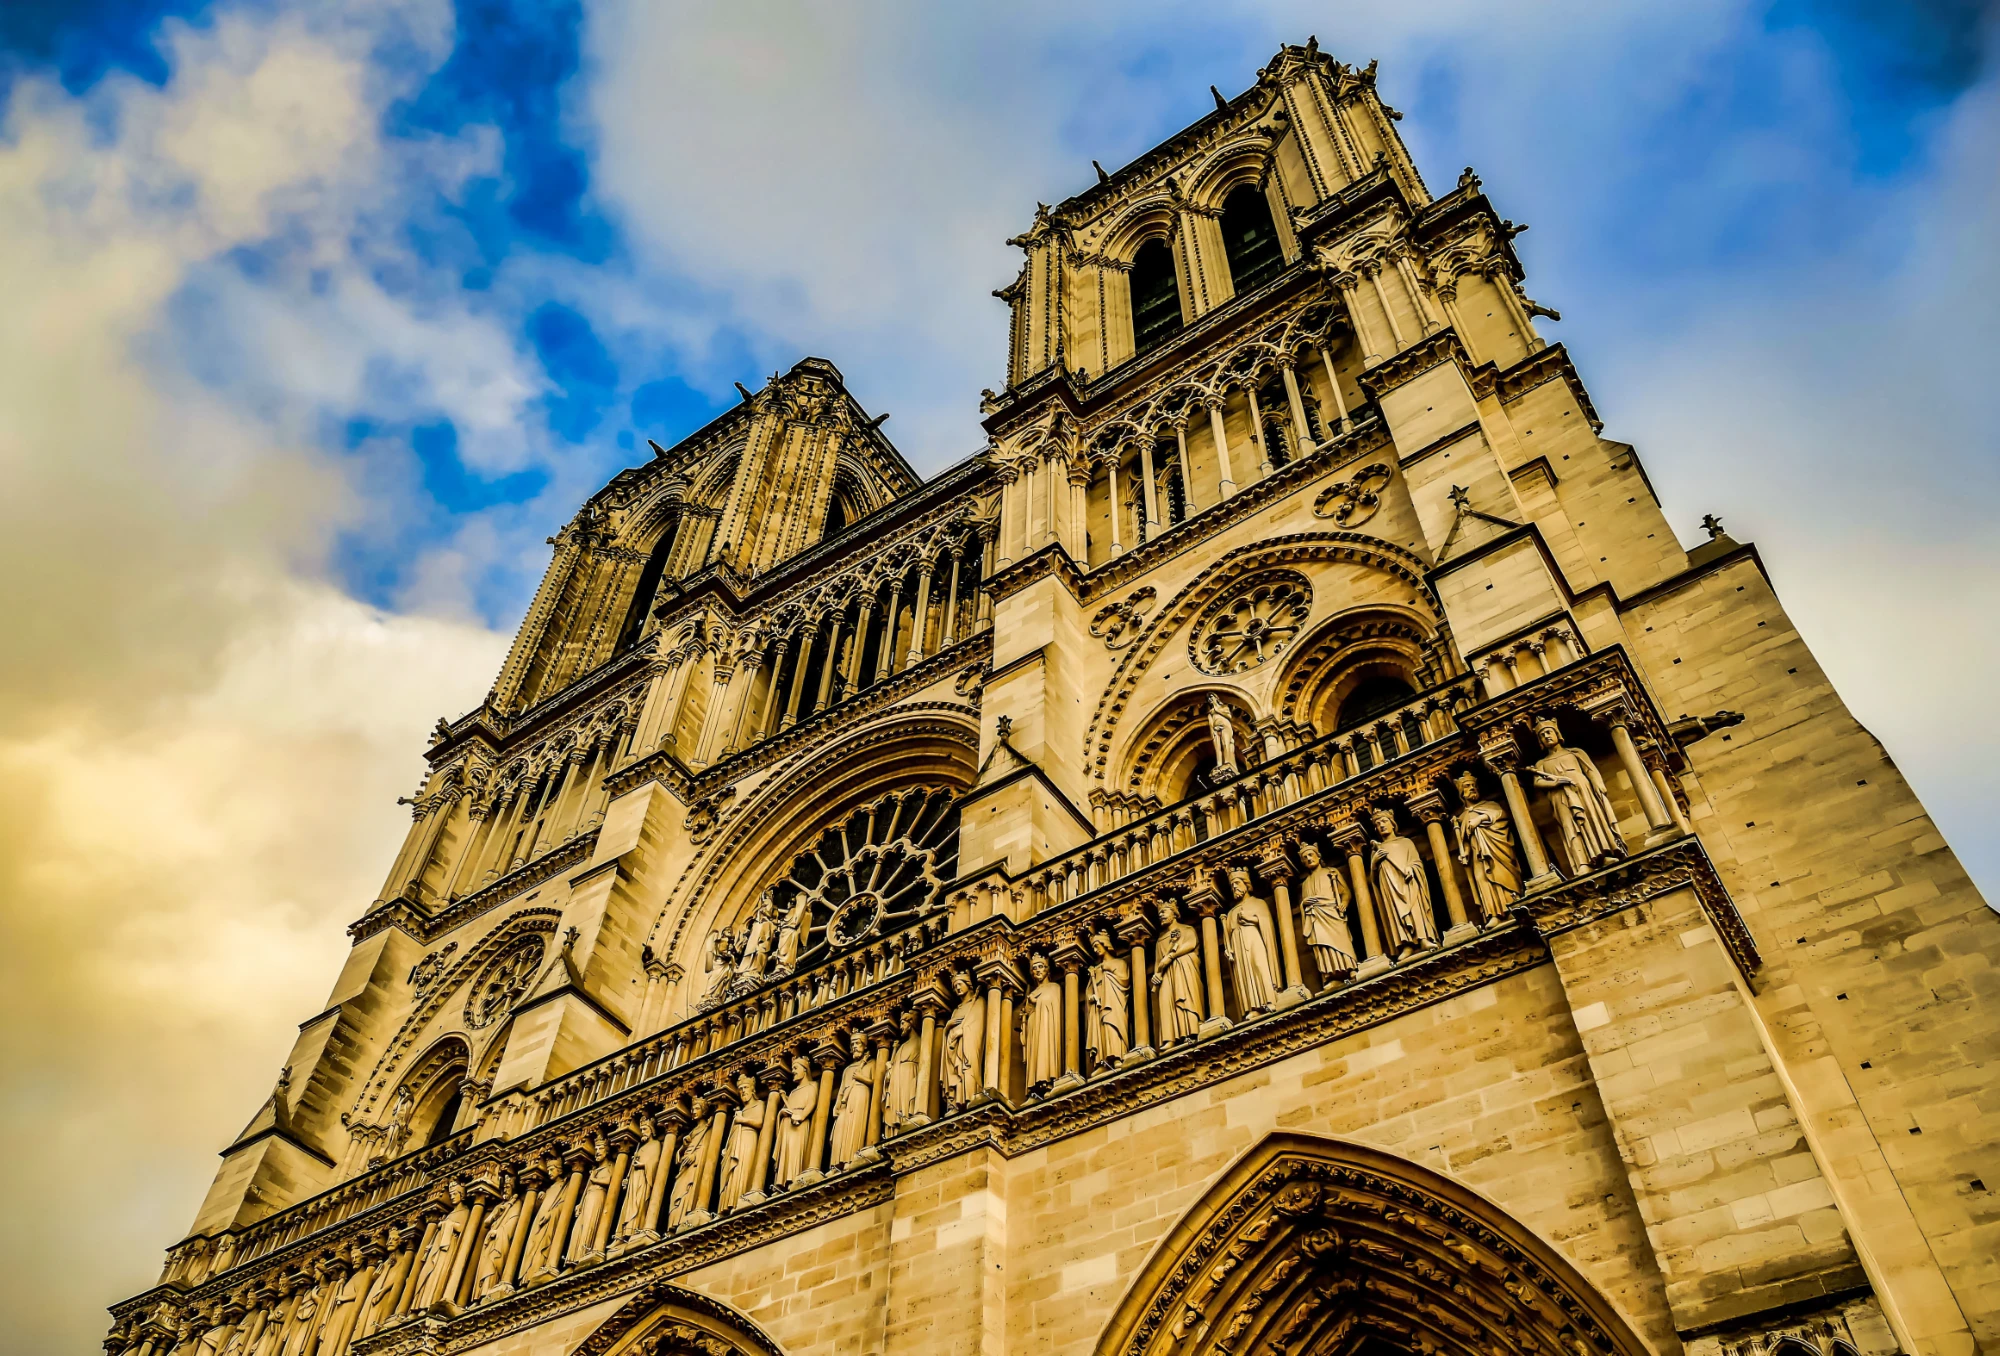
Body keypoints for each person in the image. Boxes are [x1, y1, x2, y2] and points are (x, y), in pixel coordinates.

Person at [1527, 718, 1626, 872]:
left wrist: (1598, 785)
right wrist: (1556, 783)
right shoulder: (1541, 763)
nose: (1546, 736)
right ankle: (1582, 863)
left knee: (1591, 819)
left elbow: (1590, 769)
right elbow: (1538, 782)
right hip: (1559, 796)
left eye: (1549, 732)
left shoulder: (1575, 752)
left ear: (1557, 733)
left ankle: (1604, 853)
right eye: (1542, 735)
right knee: (1570, 827)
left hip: (1582, 790)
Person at [1452, 770, 1523, 923]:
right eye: (1468, 786)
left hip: (1497, 849)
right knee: (1482, 879)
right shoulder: (1462, 818)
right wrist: (1464, 853)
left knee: (1500, 874)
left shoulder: (1490, 806)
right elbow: (1466, 842)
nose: (1472, 788)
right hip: (1478, 856)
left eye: (1473, 785)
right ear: (1461, 793)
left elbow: (1501, 815)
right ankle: (1494, 914)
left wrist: (1481, 818)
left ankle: (1511, 906)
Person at [1369, 808, 1437, 955]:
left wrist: (1412, 869)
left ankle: (1423, 938)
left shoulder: (1406, 842)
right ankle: (1406, 945)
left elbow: (1417, 862)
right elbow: (1373, 881)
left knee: (1415, 908)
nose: (1381, 825)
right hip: (1389, 887)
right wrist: (1374, 863)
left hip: (1408, 883)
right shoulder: (1377, 850)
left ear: (1393, 824)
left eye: (1384, 821)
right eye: (1378, 824)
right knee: (1396, 912)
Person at [1220, 867, 1279, 1014]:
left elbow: (1266, 924)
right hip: (1238, 945)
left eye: (1237, 883)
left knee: (1259, 965)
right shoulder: (1231, 912)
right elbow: (1228, 935)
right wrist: (1228, 950)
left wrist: (1251, 919)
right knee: (1244, 974)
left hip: (1253, 938)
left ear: (1246, 885)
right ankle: (1253, 1008)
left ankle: (1270, 1000)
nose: (1234, 887)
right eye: (1232, 885)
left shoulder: (1258, 903)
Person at [1296, 840, 1355, 980]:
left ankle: (1350, 967)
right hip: (1316, 916)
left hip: (1332, 912)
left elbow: (1345, 892)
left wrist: (1344, 903)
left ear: (1318, 856)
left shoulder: (1331, 872)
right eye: (1305, 858)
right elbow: (1304, 903)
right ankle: (1331, 974)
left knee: (1341, 939)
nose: (1309, 859)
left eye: (1310, 855)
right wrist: (1304, 904)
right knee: (1322, 944)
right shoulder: (1305, 884)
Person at [1151, 897, 1203, 1045]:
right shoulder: (1160, 940)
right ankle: (1170, 1038)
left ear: (1174, 913)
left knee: (1185, 995)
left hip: (1183, 969)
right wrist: (1156, 975)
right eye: (1159, 912)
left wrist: (1172, 956)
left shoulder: (1187, 929)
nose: (1161, 914)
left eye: (1164, 911)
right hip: (1166, 975)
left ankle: (1190, 1030)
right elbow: (1158, 962)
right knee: (1166, 1001)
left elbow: (1191, 944)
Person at [940, 971, 986, 1111]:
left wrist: (964, 1031)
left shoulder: (979, 1002)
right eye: (954, 986)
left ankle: (970, 1097)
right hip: (953, 1046)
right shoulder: (955, 1010)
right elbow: (949, 1031)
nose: (957, 988)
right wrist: (948, 1029)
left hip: (969, 1045)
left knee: (968, 1068)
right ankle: (955, 1102)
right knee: (956, 1072)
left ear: (968, 984)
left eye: (959, 984)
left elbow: (979, 1026)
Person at [827, 1031, 874, 1167]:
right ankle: (837, 1163)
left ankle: (851, 1160)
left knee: (854, 1126)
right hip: (845, 1101)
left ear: (865, 1046)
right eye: (852, 1044)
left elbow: (875, 1081)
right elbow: (841, 1089)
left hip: (860, 1095)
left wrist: (861, 1078)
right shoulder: (848, 1069)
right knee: (840, 1129)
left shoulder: (871, 1063)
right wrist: (836, 1105)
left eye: (857, 1043)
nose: (854, 1047)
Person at [1084, 929, 1129, 1069]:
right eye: (1093, 948)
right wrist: (1091, 997)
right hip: (1099, 1006)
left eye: (1097, 946)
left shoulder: (1119, 963)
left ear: (1106, 945)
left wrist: (1108, 970)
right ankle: (1102, 1062)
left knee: (1112, 1026)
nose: (1096, 950)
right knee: (1101, 1030)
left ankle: (1117, 1056)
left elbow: (1124, 981)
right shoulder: (1096, 970)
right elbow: (1089, 990)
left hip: (1113, 1003)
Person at [772, 1055, 820, 1185]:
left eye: (795, 1068)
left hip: (799, 1124)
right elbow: (786, 1108)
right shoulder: (792, 1093)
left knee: (795, 1151)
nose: (793, 1071)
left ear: (805, 1069)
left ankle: (795, 1179)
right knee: (786, 1153)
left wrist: (802, 1115)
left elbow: (812, 1103)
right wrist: (782, 1113)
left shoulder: (812, 1085)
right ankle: (782, 1182)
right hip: (787, 1124)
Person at [1020, 954, 1064, 1090]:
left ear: (1047, 969)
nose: (1038, 970)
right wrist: (1025, 1015)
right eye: (1034, 968)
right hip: (1034, 1029)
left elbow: (1054, 1009)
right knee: (1035, 1052)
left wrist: (1037, 1002)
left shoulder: (1054, 987)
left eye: (1041, 967)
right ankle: (1034, 1086)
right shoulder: (1033, 992)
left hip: (1046, 1028)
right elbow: (1027, 1013)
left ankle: (1048, 1080)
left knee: (1045, 1049)